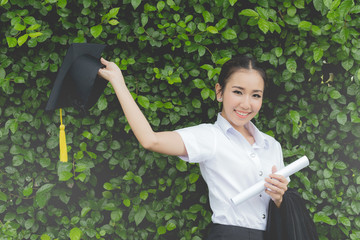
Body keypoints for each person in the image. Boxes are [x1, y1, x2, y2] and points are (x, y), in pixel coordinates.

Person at [98, 56, 289, 240]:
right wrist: (118, 82)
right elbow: (150, 140)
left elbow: (282, 208)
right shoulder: (209, 137)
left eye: (256, 95)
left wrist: (280, 197)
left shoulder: (271, 145)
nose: (246, 104)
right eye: (238, 92)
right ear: (219, 92)